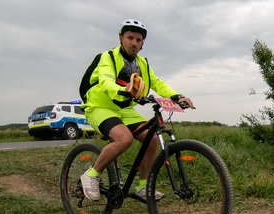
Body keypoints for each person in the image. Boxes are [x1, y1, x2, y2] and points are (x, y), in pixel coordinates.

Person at [80, 19, 194, 201]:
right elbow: (106, 80)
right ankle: (92, 174)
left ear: (142, 44)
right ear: (121, 38)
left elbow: (157, 83)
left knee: (152, 139)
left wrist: (177, 96)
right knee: (124, 139)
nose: (134, 43)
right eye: (130, 38)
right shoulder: (108, 57)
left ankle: (143, 186)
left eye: (138, 40)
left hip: (124, 109)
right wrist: (123, 90)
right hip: (99, 106)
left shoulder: (142, 63)